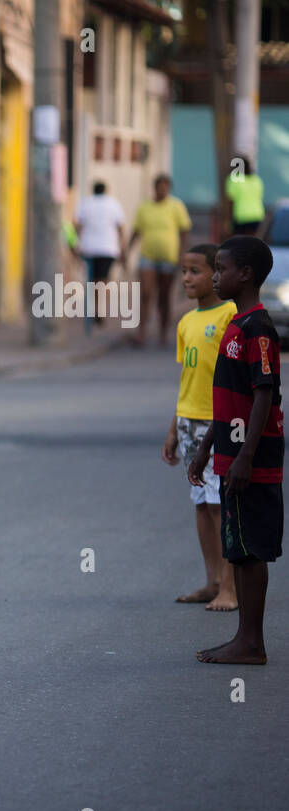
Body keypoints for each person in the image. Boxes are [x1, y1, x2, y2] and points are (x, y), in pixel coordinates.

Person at [187, 236, 283, 664]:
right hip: (228, 453)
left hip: (252, 460)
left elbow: (264, 393)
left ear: (245, 274)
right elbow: (225, 398)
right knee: (238, 548)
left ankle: (251, 642)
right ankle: (244, 638)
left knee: (251, 549)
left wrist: (245, 455)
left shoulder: (259, 329)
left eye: (222, 269)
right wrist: (208, 446)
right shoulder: (236, 324)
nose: (217, 275)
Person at [162, 244, 237, 612]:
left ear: (216, 274)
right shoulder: (186, 322)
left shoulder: (229, 315)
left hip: (216, 422)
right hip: (189, 421)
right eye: (184, 271)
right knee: (201, 504)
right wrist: (174, 427)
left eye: (196, 271)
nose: (187, 278)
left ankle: (230, 586)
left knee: (221, 504)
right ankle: (211, 581)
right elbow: (187, 377)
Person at [126, 174, 192, 348]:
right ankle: (141, 332)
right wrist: (127, 250)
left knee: (164, 296)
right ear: (154, 188)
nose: (162, 190)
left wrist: (182, 255)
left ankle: (163, 332)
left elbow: (184, 231)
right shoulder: (144, 207)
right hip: (147, 256)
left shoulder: (176, 206)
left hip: (168, 258)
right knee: (146, 293)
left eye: (166, 187)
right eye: (160, 187)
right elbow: (136, 230)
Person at [74, 181, 126, 332]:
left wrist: (75, 245)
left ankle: (94, 309)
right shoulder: (113, 204)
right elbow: (120, 227)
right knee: (103, 280)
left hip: (89, 247)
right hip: (108, 248)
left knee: (92, 280)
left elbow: (76, 225)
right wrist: (123, 248)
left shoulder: (85, 203)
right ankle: (99, 309)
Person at [226, 154, 266, 236]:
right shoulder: (256, 179)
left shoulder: (233, 179)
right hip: (256, 215)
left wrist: (228, 220)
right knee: (252, 242)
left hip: (240, 216)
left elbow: (230, 202)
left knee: (238, 244)